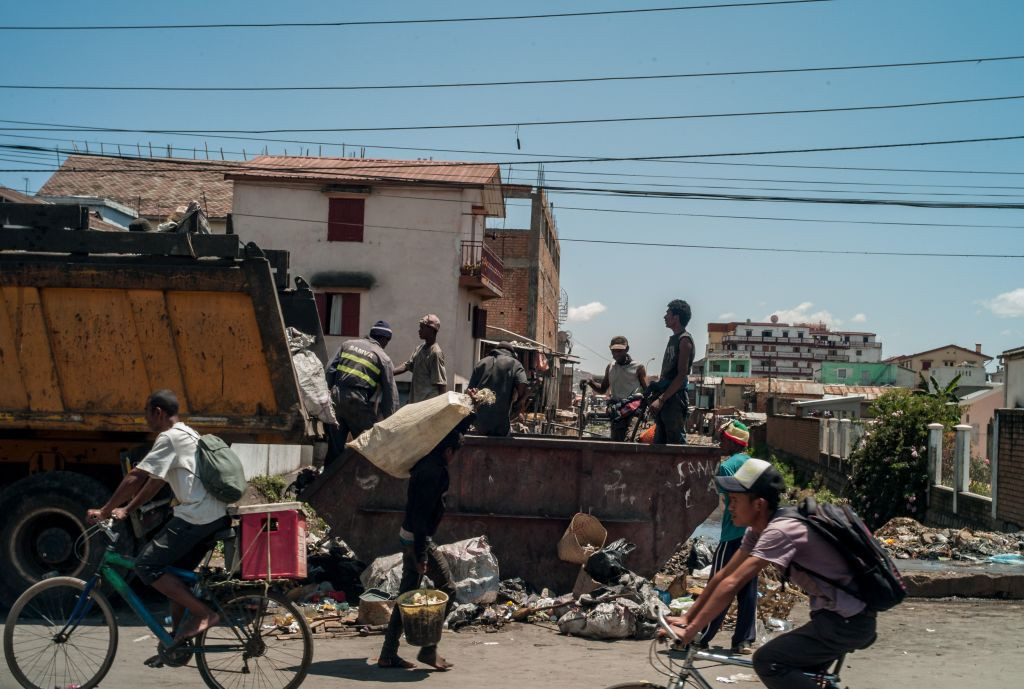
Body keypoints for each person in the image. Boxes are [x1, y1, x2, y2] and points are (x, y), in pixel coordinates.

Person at [669, 457, 878, 689]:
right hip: (834, 619)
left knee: (768, 661)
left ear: (758, 504)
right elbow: (723, 576)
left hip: (846, 622)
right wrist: (687, 618)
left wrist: (692, 630)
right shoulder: (756, 531)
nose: (730, 507)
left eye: (735, 500)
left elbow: (734, 584)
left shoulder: (780, 531)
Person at [87, 390, 229, 644]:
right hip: (213, 515)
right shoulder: (188, 433)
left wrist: (105, 510)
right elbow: (155, 481)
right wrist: (128, 509)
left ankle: (204, 614)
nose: (146, 419)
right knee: (174, 573)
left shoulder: (169, 438)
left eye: (146, 413)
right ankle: (177, 641)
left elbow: (136, 476)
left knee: (146, 566)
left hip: (196, 517)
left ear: (158, 412)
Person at [377, 419, 470, 671]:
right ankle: (428, 650)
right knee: (448, 589)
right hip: (417, 539)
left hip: (411, 536)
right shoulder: (434, 472)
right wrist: (421, 555)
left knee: (406, 596)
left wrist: (471, 411)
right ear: (448, 451)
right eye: (454, 454)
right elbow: (420, 515)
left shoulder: (427, 461)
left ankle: (388, 654)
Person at [696, 420, 757, 654]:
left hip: (732, 536)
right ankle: (743, 641)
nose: (719, 443)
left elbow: (729, 502)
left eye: (722, 439)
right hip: (754, 537)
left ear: (732, 442)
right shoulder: (755, 465)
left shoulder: (727, 467)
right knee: (747, 589)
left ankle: (702, 635)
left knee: (719, 586)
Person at [324, 320, 399, 466]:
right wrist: (391, 422)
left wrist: (326, 398)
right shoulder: (383, 358)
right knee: (371, 446)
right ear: (384, 339)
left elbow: (329, 370)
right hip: (357, 402)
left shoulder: (347, 344)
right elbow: (390, 394)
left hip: (335, 398)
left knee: (334, 449)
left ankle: (327, 484)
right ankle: (367, 482)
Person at [586, 336, 649, 441]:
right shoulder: (610, 367)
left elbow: (647, 390)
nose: (616, 354)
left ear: (627, 349)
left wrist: (648, 408)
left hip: (633, 410)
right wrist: (590, 382)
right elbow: (602, 389)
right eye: (614, 351)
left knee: (630, 440)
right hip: (618, 411)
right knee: (616, 441)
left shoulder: (638, 367)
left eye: (619, 351)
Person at [649, 299, 695, 445]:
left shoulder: (684, 340)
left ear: (676, 317)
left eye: (668, 313)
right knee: (660, 442)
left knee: (674, 443)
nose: (664, 316)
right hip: (667, 396)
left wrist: (661, 400)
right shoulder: (674, 339)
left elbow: (681, 376)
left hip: (674, 398)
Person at [467, 341, 529, 436]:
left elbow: (469, 392)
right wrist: (520, 403)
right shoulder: (515, 364)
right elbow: (523, 384)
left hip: (478, 425)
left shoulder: (481, 363)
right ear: (512, 353)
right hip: (501, 426)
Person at [394, 314, 447, 404]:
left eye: (422, 328)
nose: (419, 331)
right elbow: (408, 365)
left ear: (431, 330)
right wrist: (390, 373)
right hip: (416, 401)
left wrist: (443, 407)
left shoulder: (435, 353)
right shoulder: (420, 348)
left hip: (427, 404)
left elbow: (441, 384)